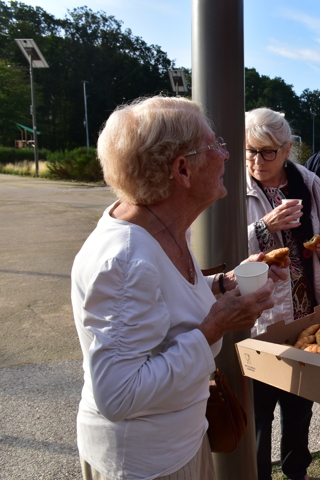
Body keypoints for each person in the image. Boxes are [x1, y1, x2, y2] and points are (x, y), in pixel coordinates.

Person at [72, 96, 279, 480]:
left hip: (178, 443)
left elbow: (163, 301)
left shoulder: (159, 226)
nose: (226, 156)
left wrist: (222, 283)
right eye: (215, 145)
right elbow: (118, 395)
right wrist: (214, 327)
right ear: (182, 170)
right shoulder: (126, 260)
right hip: (146, 464)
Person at [245, 107, 320, 480]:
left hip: (306, 312)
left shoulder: (307, 181)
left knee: (300, 404)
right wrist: (263, 226)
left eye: (267, 152)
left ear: (287, 149)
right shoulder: (237, 185)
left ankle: (296, 470)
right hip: (260, 317)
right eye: (250, 150)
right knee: (258, 410)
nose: (256, 160)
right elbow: (217, 253)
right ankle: (257, 474)